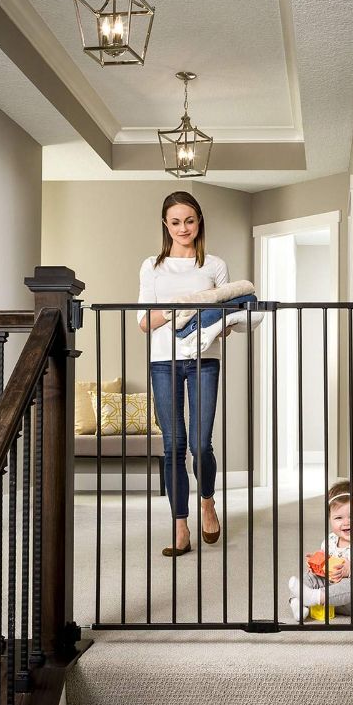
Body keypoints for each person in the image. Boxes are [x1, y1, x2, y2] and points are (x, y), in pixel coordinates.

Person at [137, 191, 230, 557]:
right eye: (175, 222)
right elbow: (144, 321)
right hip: (164, 362)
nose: (183, 228)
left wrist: (210, 318)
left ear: (199, 221)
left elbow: (227, 316)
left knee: (199, 444)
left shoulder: (215, 266)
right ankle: (180, 525)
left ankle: (207, 501)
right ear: (165, 225)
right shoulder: (152, 266)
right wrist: (185, 308)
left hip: (205, 360)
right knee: (173, 446)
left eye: (189, 220)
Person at [287, 480, 353, 621]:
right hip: (335, 597)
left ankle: (314, 597)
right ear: (330, 519)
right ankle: (298, 603)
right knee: (308, 577)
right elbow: (326, 570)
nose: (346, 522)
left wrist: (351, 570)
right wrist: (318, 565)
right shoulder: (330, 541)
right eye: (338, 518)